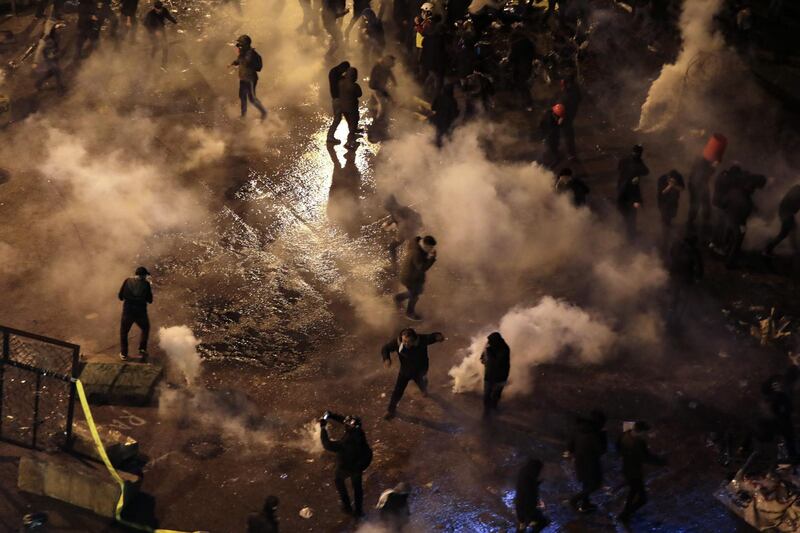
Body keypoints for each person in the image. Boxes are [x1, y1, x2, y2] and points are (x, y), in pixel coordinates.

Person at [381, 328, 445, 420]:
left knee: (422, 382)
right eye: (404, 341)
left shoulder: (422, 340)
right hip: (405, 371)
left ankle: (424, 390)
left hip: (420, 370)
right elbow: (385, 348)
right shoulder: (397, 342)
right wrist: (386, 359)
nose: (406, 344)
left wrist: (439, 336)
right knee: (397, 392)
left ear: (414, 340)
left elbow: (433, 336)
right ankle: (391, 410)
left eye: (408, 342)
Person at [320, 412, 372, 517]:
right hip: (358, 466)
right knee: (357, 489)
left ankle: (347, 507)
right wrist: (330, 415)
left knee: (339, 482)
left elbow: (327, 444)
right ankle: (358, 511)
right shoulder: (359, 432)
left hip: (345, 467)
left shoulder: (345, 444)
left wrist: (323, 428)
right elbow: (345, 421)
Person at [617, 421, 666, 524]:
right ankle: (624, 515)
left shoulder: (624, 435)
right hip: (635, 472)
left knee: (633, 491)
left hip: (626, 469)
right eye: (644, 432)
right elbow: (646, 457)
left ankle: (625, 512)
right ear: (641, 431)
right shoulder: (639, 443)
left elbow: (618, 448)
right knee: (642, 499)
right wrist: (661, 461)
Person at [720, 173, 766, 268]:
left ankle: (724, 252)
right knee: (737, 241)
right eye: (753, 190)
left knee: (728, 236)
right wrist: (743, 225)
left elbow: (723, 204)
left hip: (729, 218)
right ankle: (730, 263)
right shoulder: (746, 202)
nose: (754, 192)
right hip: (738, 221)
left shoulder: (734, 192)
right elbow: (744, 215)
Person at [567, 411, 607, 513]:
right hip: (591, 463)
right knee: (594, 485)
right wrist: (603, 435)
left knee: (586, 483)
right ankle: (574, 500)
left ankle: (585, 504)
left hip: (580, 463)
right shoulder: (594, 434)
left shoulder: (577, 430)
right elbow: (602, 450)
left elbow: (570, 447)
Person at [393, 235, 437, 321]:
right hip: (409, 277)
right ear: (425, 244)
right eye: (430, 247)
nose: (431, 249)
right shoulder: (417, 253)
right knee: (414, 295)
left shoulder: (419, 247)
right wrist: (432, 258)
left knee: (415, 293)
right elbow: (422, 267)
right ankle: (408, 311)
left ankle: (399, 300)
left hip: (413, 276)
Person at [118, 266, 153, 361]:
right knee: (145, 328)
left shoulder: (127, 281)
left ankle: (124, 354)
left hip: (127, 312)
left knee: (124, 332)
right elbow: (150, 300)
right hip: (140, 313)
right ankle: (142, 349)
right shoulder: (146, 284)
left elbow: (120, 296)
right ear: (143, 275)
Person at [667, 234, 703, 325]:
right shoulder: (694, 251)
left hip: (675, 275)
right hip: (686, 278)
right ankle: (678, 320)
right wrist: (698, 278)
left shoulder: (677, 245)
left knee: (674, 297)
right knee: (684, 300)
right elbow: (699, 266)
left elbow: (670, 254)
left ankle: (671, 317)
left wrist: (671, 268)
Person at [231, 35, 267, 120]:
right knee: (242, 96)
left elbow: (259, 67)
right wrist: (234, 63)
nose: (239, 45)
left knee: (251, 98)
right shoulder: (243, 53)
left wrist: (249, 64)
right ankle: (243, 116)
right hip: (243, 78)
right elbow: (239, 61)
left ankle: (263, 112)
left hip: (250, 79)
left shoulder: (253, 54)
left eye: (241, 43)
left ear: (246, 44)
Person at [617, 145, 649, 241]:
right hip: (630, 193)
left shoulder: (624, 160)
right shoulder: (637, 162)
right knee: (631, 215)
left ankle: (628, 233)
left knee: (626, 214)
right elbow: (646, 171)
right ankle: (630, 236)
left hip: (621, 190)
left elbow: (619, 168)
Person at [382, 194, 422, 268]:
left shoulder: (401, 210)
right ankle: (395, 265)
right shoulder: (395, 211)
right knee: (392, 247)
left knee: (412, 250)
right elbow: (395, 219)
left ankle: (412, 266)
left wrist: (399, 236)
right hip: (405, 233)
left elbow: (405, 223)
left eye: (386, 203)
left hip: (410, 232)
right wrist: (388, 223)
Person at [515, 458, 550, 532]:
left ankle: (522, 527)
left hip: (519, 505)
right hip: (527, 507)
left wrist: (537, 483)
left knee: (522, 524)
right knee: (542, 522)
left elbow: (526, 486)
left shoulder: (524, 472)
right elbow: (530, 494)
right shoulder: (530, 478)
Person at [765, 184, 800, 256]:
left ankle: (795, 250)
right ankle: (767, 249)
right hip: (786, 214)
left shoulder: (796, 189)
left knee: (792, 230)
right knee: (784, 234)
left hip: (786, 213)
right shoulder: (797, 191)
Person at [481, 332, 510, 416]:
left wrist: (489, 353)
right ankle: (486, 410)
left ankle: (493, 407)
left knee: (496, 393)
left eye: (490, 341)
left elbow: (497, 362)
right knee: (487, 393)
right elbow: (484, 353)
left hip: (500, 377)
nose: (488, 342)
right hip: (489, 375)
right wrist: (482, 356)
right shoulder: (490, 345)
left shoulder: (504, 349)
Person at [656, 170, 685, 252]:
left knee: (671, 217)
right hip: (663, 203)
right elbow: (662, 192)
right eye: (670, 179)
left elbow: (682, 188)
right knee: (665, 220)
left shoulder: (679, 177)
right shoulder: (661, 179)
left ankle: (668, 229)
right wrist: (670, 186)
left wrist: (675, 185)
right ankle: (665, 240)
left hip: (673, 203)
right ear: (668, 178)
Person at [143, 0, 177, 67]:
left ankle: (164, 62)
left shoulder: (164, 10)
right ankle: (151, 59)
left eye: (160, 9)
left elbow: (168, 16)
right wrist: (154, 32)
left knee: (165, 45)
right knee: (155, 45)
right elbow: (146, 24)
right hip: (152, 30)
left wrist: (175, 22)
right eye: (157, 9)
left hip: (161, 29)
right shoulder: (150, 14)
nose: (159, 11)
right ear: (155, 8)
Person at [33, 22, 65, 93]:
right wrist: (35, 62)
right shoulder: (44, 38)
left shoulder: (54, 34)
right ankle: (60, 90)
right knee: (57, 72)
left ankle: (38, 83)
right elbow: (39, 50)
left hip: (55, 56)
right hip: (49, 58)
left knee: (50, 72)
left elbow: (56, 45)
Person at [335, 67, 362, 150]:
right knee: (353, 124)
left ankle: (352, 138)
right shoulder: (354, 86)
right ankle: (349, 142)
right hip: (352, 108)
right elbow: (360, 94)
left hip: (343, 108)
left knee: (350, 123)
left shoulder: (341, 83)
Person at [326, 61, 350, 145]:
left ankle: (330, 136)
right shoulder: (336, 75)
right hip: (338, 99)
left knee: (343, 117)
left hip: (337, 98)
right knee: (338, 118)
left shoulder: (333, 72)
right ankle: (330, 137)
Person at [369, 55, 396, 123]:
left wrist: (394, 81)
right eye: (392, 62)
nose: (394, 64)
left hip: (379, 88)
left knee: (380, 102)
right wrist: (390, 98)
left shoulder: (386, 67)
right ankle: (377, 121)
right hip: (376, 88)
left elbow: (390, 73)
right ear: (388, 61)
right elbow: (376, 84)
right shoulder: (378, 68)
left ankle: (373, 108)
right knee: (382, 105)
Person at [559, 75, 581, 158]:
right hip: (569, 115)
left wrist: (562, 117)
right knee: (568, 133)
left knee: (568, 134)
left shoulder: (569, 95)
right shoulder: (573, 90)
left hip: (566, 116)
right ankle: (571, 152)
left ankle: (571, 153)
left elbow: (565, 106)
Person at [539, 104, 564, 169]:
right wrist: (559, 124)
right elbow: (553, 131)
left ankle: (543, 162)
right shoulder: (550, 121)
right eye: (558, 116)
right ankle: (547, 166)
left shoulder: (548, 114)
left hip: (546, 136)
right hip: (550, 138)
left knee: (547, 151)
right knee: (550, 151)